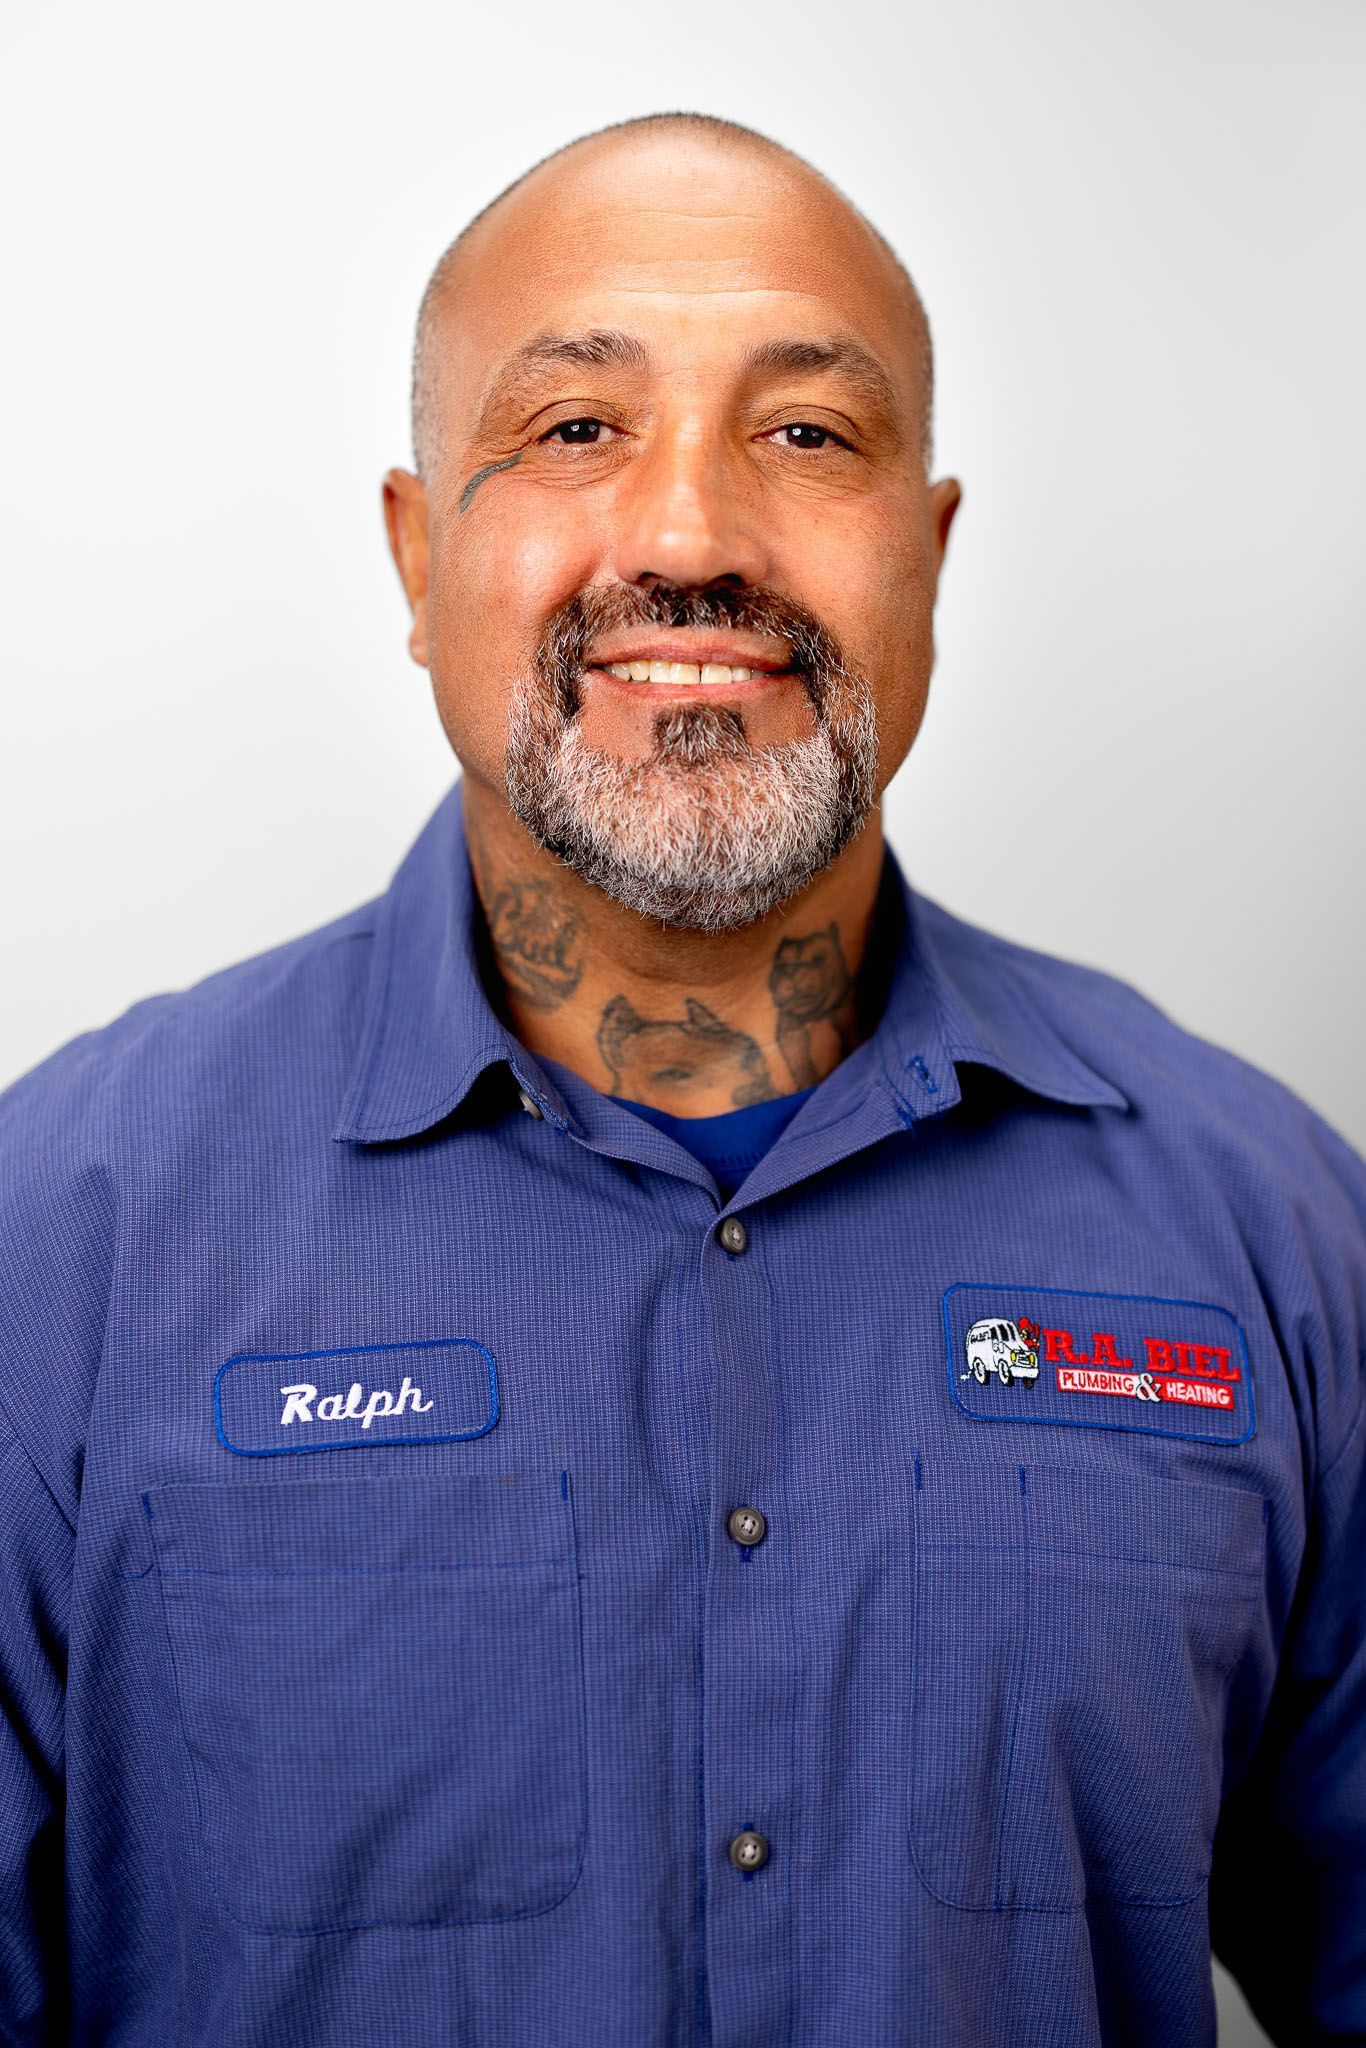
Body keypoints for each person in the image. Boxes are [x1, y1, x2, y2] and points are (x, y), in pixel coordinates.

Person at [0, 111, 1361, 2048]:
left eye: (805, 434)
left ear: (930, 550)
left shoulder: (1273, 1228)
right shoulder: (58, 1241)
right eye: (573, 430)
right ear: (414, 555)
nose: (689, 537)